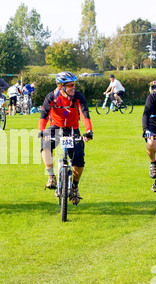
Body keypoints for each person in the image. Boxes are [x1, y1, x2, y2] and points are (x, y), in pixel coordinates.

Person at [38, 71, 93, 205]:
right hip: (56, 127)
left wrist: (88, 131)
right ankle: (51, 176)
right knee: (44, 145)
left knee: (79, 158)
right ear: (61, 86)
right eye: (70, 85)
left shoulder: (78, 97)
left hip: (73, 129)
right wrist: (41, 131)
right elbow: (44, 115)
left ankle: (74, 187)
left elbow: (84, 113)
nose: (74, 87)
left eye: (74, 85)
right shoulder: (52, 97)